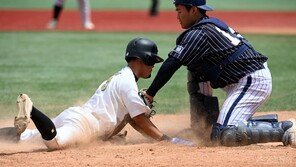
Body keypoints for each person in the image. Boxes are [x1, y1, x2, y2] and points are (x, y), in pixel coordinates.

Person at [142, 0, 296, 147]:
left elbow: (171, 64)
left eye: (179, 11)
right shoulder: (207, 27)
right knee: (194, 67)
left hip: (251, 82)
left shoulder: (199, 34)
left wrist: (150, 94)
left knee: (227, 133)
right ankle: (204, 127)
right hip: (241, 79)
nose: (177, 16)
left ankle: (285, 128)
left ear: (193, 10)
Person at [0, 37, 195, 150]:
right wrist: (168, 140)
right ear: (140, 59)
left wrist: (109, 136)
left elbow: (130, 119)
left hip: (78, 116)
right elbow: (140, 122)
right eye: (151, 61)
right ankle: (31, 109)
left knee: (30, 137)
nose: (153, 66)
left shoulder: (122, 76)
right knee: (55, 143)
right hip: (85, 124)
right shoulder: (127, 83)